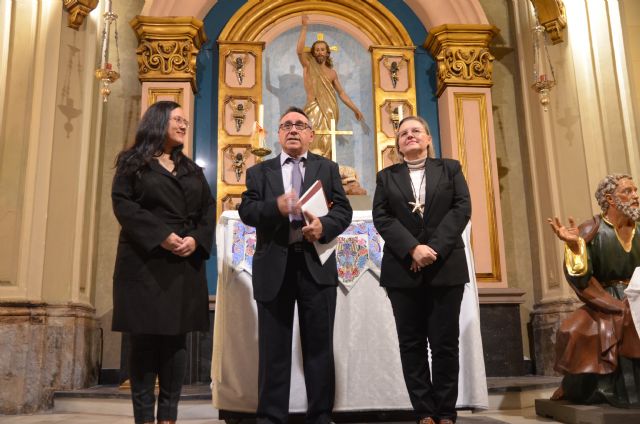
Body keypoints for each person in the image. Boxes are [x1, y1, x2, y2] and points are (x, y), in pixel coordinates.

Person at [238, 106, 352, 424]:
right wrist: (275, 206)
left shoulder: (327, 168)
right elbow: (247, 210)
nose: (293, 130)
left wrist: (324, 228)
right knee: (274, 349)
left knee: (318, 347)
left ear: (310, 135)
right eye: (286, 124)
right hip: (275, 267)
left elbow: (343, 211)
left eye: (300, 125)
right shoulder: (260, 172)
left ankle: (320, 415)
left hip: (315, 265)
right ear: (277, 134)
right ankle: (271, 417)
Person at [111, 101, 215, 424]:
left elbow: (208, 212)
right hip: (144, 263)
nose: (184, 125)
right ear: (158, 122)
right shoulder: (133, 163)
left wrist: (195, 239)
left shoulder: (192, 170)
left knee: (175, 343)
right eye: (178, 120)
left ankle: (168, 417)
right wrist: (161, 236)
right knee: (143, 342)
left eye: (186, 121)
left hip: (183, 265)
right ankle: (143, 418)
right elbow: (123, 205)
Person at [372, 116, 471, 424]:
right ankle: (424, 411)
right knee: (411, 343)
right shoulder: (386, 177)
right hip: (403, 270)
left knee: (444, 344)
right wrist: (413, 248)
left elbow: (461, 208)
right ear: (398, 144)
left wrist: (434, 249)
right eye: (403, 133)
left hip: (446, 268)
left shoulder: (450, 169)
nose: (409, 136)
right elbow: (382, 217)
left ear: (428, 138)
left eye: (416, 131)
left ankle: (446, 411)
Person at [547, 174, 640, 407]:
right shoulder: (592, 229)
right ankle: (577, 387)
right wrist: (574, 247)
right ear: (610, 198)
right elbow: (580, 277)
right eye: (627, 192)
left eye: (636, 190)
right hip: (603, 298)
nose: (636, 196)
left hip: (638, 294)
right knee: (574, 330)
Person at [297, 15, 364, 158]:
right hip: (313, 107)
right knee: (311, 135)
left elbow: (342, 93)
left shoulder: (332, 73)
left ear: (327, 53)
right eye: (317, 49)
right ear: (313, 52)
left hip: (330, 110)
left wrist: (355, 109)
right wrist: (304, 27)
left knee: (327, 139)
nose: (320, 52)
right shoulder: (309, 66)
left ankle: (325, 166)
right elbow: (299, 50)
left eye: (322, 49)